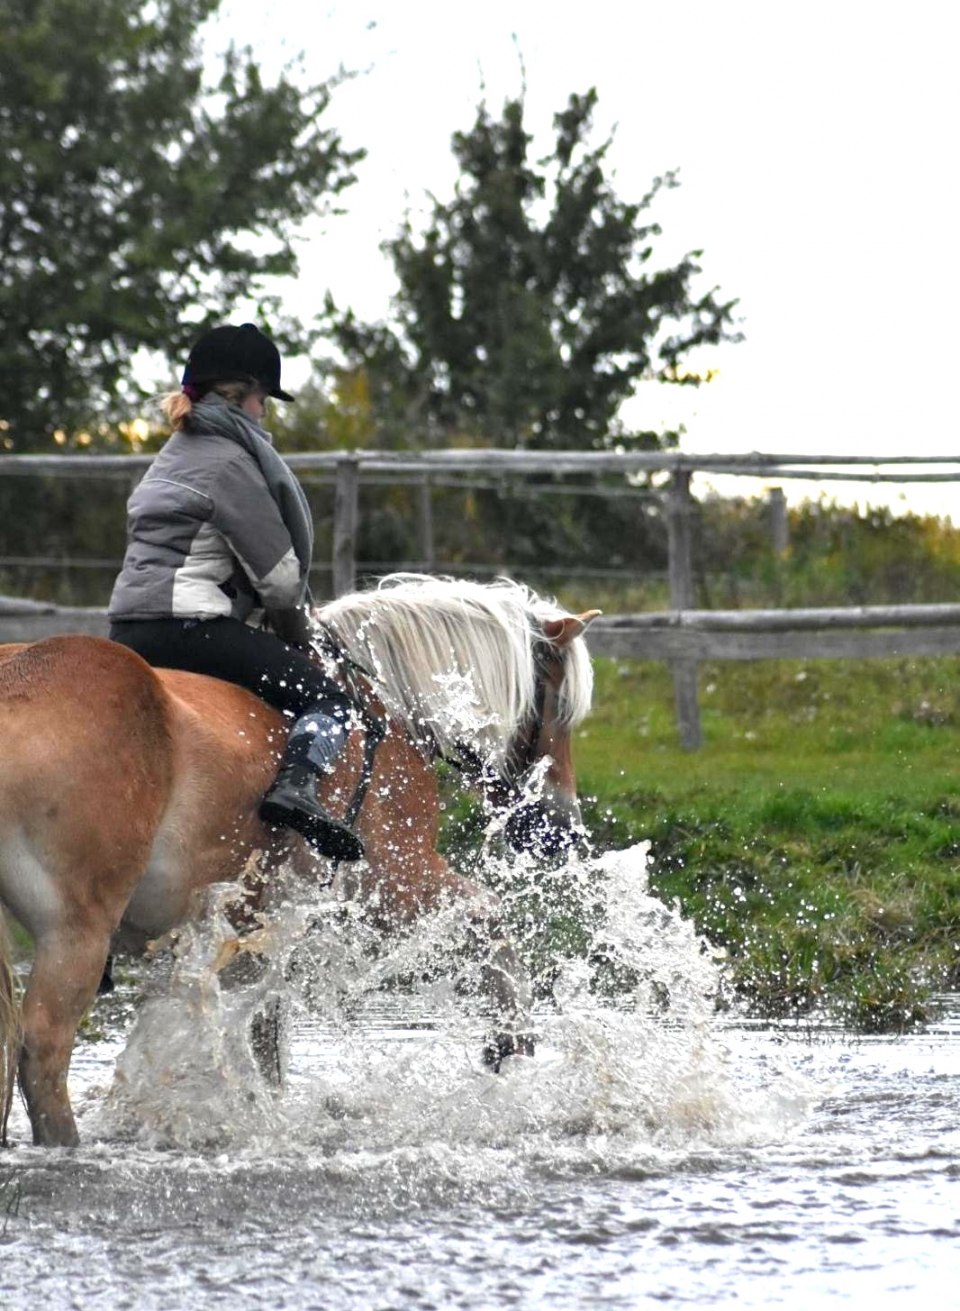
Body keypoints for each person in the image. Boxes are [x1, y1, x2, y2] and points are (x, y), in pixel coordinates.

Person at [108, 322, 363, 861]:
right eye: (264, 400)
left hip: (128, 630)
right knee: (330, 699)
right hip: (190, 631)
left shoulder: (169, 459)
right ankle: (296, 789)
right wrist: (301, 638)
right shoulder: (230, 464)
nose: (265, 413)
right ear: (244, 396)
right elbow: (280, 579)